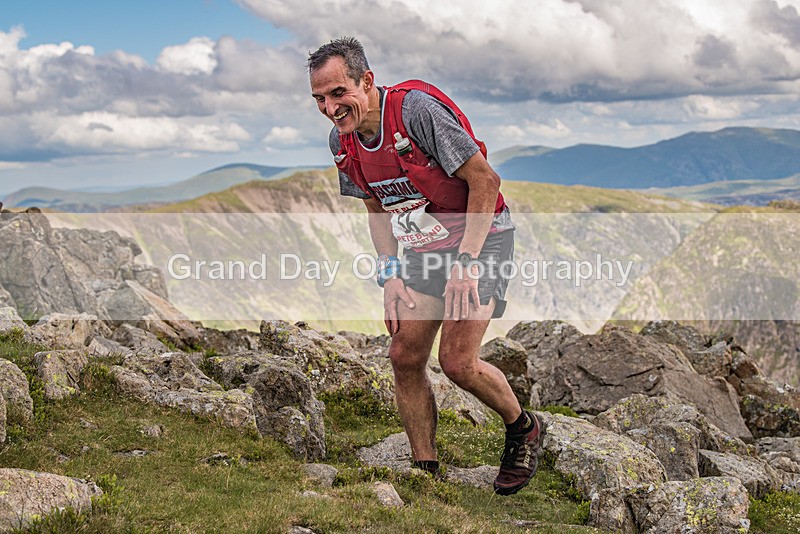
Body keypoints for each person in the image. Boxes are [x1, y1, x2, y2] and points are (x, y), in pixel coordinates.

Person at [307, 36, 544, 495]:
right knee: (404, 354)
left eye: (339, 93)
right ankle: (425, 469)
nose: (330, 108)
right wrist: (390, 275)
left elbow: (486, 181)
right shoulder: (343, 142)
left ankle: (523, 428)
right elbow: (376, 207)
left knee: (456, 361)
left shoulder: (415, 112)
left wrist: (466, 263)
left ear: (366, 81)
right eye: (319, 98)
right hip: (423, 245)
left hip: (483, 236)